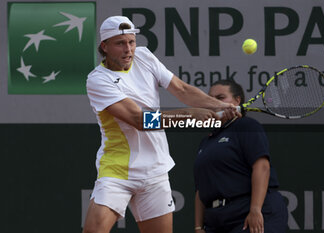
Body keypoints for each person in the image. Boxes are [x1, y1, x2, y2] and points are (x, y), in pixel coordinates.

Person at [83, 16, 238, 233]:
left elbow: (182, 90)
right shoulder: (98, 80)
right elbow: (140, 120)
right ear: (104, 46)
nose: (128, 49)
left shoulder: (144, 57)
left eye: (132, 42)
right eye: (120, 43)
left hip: (155, 170)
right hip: (117, 171)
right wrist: (190, 116)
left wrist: (218, 106)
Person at [194, 80, 288, 233]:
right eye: (210, 99)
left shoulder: (246, 126)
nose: (214, 102)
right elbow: (200, 190)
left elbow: (262, 166)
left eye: (220, 97)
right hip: (216, 221)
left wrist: (255, 210)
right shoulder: (206, 141)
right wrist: (198, 227)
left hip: (248, 213)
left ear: (237, 101)